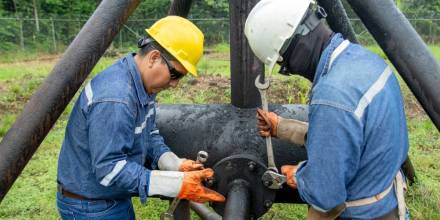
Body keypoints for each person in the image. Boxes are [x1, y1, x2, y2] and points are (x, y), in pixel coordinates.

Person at [245, 0, 408, 219]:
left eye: (285, 67)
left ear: (294, 47)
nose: (291, 71)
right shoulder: (365, 60)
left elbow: (326, 194)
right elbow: (352, 136)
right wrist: (282, 128)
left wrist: (301, 176)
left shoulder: (332, 94)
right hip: (388, 200)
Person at [56, 16, 225, 219]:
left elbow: (149, 133)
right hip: (90, 207)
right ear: (154, 58)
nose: (175, 84)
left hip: (109, 199)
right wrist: (174, 184)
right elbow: (109, 169)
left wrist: (173, 163)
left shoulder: (141, 85)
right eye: (175, 74)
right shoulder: (116, 99)